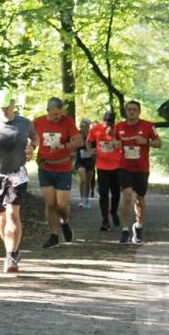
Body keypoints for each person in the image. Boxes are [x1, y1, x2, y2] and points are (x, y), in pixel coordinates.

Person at [0, 94, 38, 273]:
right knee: (1, 217)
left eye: (6, 106)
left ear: (13, 105)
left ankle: (11, 256)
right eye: (0, 107)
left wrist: (31, 147)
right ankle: (11, 248)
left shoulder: (25, 123)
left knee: (13, 214)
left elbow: (35, 138)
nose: (3, 110)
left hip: (17, 174)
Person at [33, 97, 83, 248]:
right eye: (54, 114)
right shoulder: (37, 122)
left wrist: (64, 146)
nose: (57, 117)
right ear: (48, 111)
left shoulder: (67, 121)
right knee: (50, 203)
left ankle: (65, 222)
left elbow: (79, 141)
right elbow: (32, 141)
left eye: (59, 114)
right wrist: (30, 149)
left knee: (61, 205)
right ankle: (54, 235)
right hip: (45, 167)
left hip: (63, 168)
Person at [113, 100, 162, 244]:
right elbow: (115, 143)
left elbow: (159, 143)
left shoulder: (148, 126)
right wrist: (115, 144)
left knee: (139, 200)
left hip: (141, 169)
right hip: (124, 167)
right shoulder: (119, 127)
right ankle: (124, 230)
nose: (132, 111)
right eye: (129, 109)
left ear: (139, 111)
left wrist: (146, 142)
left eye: (134, 109)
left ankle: (138, 226)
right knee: (127, 197)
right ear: (125, 111)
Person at [88, 110, 121, 232]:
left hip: (117, 166)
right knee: (104, 194)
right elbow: (88, 141)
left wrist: (113, 137)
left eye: (110, 122)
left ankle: (113, 211)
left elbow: (122, 145)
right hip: (102, 167)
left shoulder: (118, 129)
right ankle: (105, 221)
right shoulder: (96, 129)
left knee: (116, 193)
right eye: (106, 122)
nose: (108, 125)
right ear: (103, 120)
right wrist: (91, 151)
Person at [75, 118, 96, 208]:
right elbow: (73, 146)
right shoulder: (77, 135)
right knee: (83, 179)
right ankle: (81, 199)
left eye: (84, 126)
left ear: (88, 127)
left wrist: (92, 151)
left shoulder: (92, 136)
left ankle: (86, 199)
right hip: (80, 161)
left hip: (90, 161)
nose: (82, 128)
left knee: (88, 181)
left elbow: (97, 147)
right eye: (81, 126)